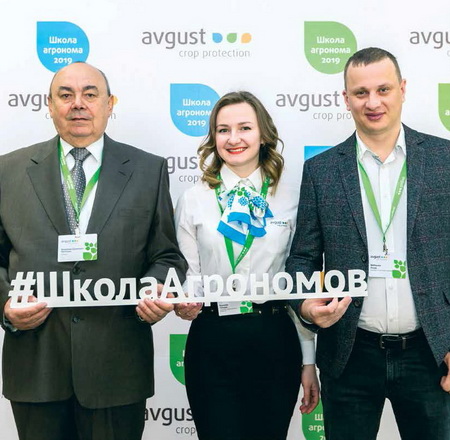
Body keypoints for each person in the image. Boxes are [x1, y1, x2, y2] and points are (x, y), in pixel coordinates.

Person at [0, 62, 187, 440]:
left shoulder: (147, 170)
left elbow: (167, 255)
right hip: (36, 365)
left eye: (90, 94)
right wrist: (5, 304)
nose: (78, 104)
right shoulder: (8, 170)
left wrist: (155, 288)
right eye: (65, 95)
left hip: (116, 367)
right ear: (49, 105)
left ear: (109, 103)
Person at [286, 47, 450, 440]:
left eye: (383, 89)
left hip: (432, 352)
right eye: (361, 93)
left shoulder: (444, 160)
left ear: (402, 89)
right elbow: (301, 260)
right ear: (346, 98)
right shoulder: (322, 171)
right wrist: (306, 306)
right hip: (350, 352)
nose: (372, 102)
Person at [174, 91, 319, 440]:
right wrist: (185, 302)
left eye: (244, 128)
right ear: (213, 138)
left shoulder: (291, 197)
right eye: (223, 130)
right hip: (212, 339)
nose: (233, 138)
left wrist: (308, 360)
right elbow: (191, 275)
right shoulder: (193, 199)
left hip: (274, 337)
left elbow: (299, 282)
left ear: (263, 134)